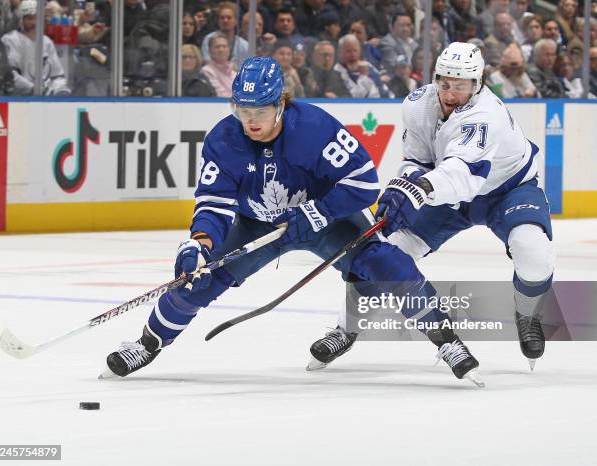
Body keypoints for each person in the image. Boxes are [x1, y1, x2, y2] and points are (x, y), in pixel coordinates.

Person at [103, 56, 481, 386]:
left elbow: (364, 183)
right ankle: (148, 342)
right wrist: (199, 242)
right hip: (258, 225)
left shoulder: (314, 128)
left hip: (327, 219)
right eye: (242, 110)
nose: (250, 121)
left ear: (280, 103)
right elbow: (214, 203)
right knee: (197, 281)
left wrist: (317, 213)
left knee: (388, 265)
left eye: (260, 111)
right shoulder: (223, 140)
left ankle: (446, 339)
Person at [311, 42, 554, 371]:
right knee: (386, 253)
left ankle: (527, 312)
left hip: (507, 189)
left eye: (460, 86)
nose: (450, 94)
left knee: (533, 251)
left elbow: (462, 173)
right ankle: (347, 327)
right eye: (444, 83)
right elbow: (417, 161)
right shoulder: (417, 104)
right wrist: (404, 186)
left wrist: (416, 190)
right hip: (447, 195)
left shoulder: (486, 114)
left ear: (477, 83)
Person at [1, 0, 71, 96]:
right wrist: (34, 89)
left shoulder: (46, 42)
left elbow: (57, 75)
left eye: (38, 18)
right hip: (18, 99)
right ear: (21, 20)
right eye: (30, 18)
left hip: (45, 98)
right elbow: (11, 76)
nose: (34, 22)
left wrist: (59, 89)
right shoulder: (10, 39)